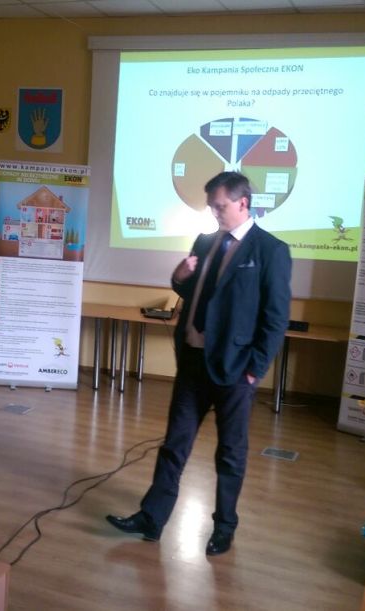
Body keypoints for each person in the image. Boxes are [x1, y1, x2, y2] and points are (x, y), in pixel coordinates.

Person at [106, 171, 292, 556]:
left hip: (235, 370)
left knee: (230, 453)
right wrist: (179, 277)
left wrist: (254, 370)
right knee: (174, 444)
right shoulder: (205, 241)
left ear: (243, 203)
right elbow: (192, 291)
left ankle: (224, 527)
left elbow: (275, 319)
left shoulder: (270, 250)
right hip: (193, 361)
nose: (214, 213)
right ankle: (152, 518)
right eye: (211, 206)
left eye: (220, 206)